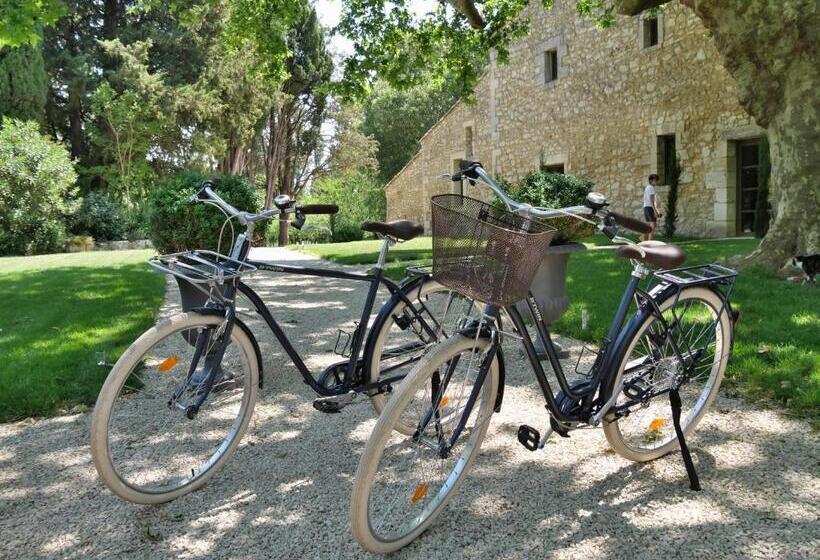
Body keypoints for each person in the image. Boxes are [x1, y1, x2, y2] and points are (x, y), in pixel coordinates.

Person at [642, 174, 662, 241]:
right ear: (651, 180)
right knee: (653, 225)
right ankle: (649, 242)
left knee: (651, 225)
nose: (657, 182)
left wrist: (656, 210)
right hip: (649, 208)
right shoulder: (651, 188)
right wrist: (656, 211)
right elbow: (651, 201)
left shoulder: (648, 187)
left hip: (646, 207)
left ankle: (643, 239)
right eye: (656, 180)